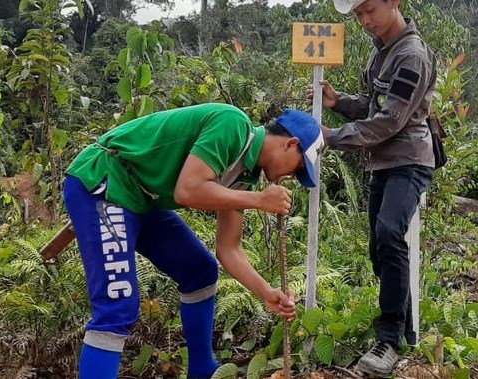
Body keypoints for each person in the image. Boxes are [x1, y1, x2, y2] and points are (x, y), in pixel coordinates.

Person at [62, 103, 324, 379]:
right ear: (291, 144)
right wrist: (258, 200)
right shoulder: (232, 124)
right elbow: (188, 189)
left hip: (142, 198)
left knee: (200, 270)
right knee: (117, 306)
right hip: (106, 183)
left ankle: (202, 371)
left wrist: (267, 292)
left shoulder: (244, 176)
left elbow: (229, 248)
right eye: (298, 167)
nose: (292, 176)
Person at [308, 0, 437, 377]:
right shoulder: (381, 50)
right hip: (383, 162)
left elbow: (390, 121)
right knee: (380, 249)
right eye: (359, 14)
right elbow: (375, 106)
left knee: (389, 234)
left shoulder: (411, 55)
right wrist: (340, 102)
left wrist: (332, 136)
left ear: (393, 0)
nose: (364, 21)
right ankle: (404, 322)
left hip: (410, 160)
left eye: (370, 10)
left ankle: (389, 340)